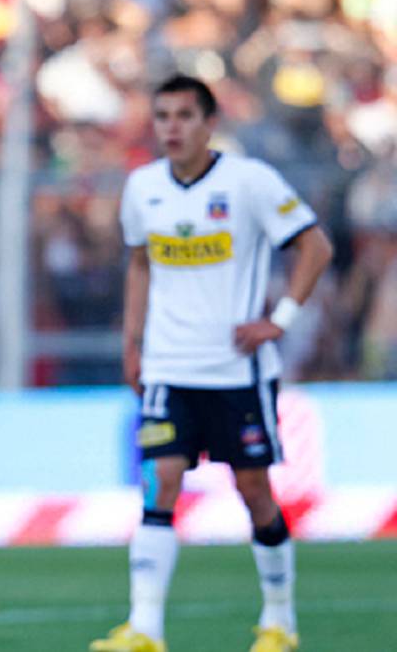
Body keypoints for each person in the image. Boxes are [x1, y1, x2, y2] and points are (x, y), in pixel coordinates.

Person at [90, 75, 333, 652]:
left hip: (236, 371)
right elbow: (141, 265)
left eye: (183, 116)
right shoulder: (143, 188)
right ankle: (145, 629)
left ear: (208, 123)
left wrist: (282, 319)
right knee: (161, 483)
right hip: (170, 367)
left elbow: (315, 245)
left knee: (253, 489)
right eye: (163, 116)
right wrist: (133, 343)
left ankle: (279, 622)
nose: (171, 127)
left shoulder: (248, 183)